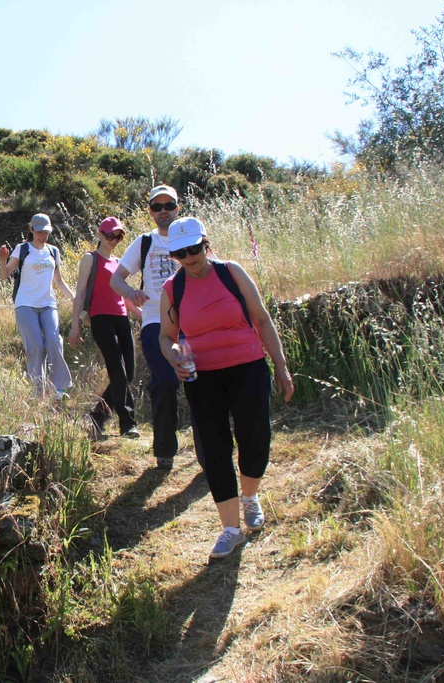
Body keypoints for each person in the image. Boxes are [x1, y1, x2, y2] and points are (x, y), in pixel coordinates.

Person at [158, 216, 294, 559]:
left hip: (248, 367)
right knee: (215, 450)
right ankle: (230, 529)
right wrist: (174, 356)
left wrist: (280, 366)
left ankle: (250, 496)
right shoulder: (173, 289)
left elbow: (261, 319)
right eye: (180, 254)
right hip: (202, 378)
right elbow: (166, 336)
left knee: (255, 438)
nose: (189, 258)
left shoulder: (231, 273)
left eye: (194, 249)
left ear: (206, 244)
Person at [109, 184, 203, 470]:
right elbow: (116, 279)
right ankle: (165, 450)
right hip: (155, 323)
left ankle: (209, 453)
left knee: (200, 385)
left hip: (193, 324)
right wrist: (131, 293)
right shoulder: (144, 242)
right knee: (165, 381)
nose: (164, 211)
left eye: (169, 205)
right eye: (158, 206)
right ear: (150, 211)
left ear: (177, 208)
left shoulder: (190, 237)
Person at [68, 216, 141, 440]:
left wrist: (144, 315)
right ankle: (127, 423)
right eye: (110, 235)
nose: (114, 240)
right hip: (100, 318)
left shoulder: (119, 262)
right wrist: (75, 326)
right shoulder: (90, 258)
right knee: (117, 368)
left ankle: (96, 416)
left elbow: (125, 297)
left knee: (129, 372)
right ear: (100, 234)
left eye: (119, 236)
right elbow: (80, 293)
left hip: (121, 318)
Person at [0, 213, 75, 399]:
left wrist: (74, 298)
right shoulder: (22, 249)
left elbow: (58, 280)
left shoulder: (53, 251)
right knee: (36, 346)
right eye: (40, 232)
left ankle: (59, 389)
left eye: (46, 232)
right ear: (31, 229)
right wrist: (2, 259)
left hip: (48, 303)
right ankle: (37, 391)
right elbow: (4, 275)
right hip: (25, 304)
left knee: (54, 341)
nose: (43, 235)